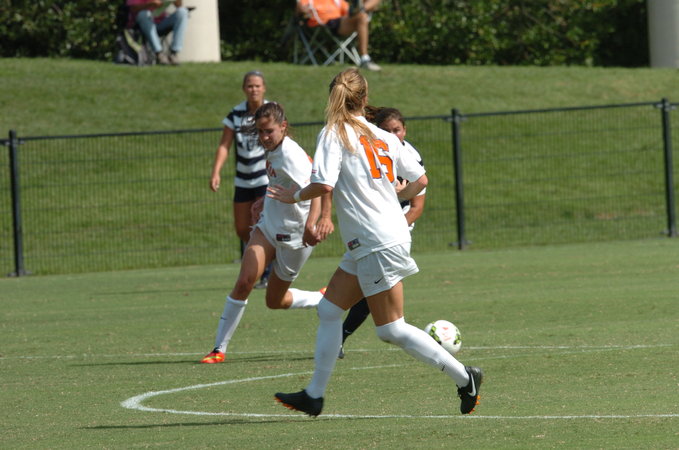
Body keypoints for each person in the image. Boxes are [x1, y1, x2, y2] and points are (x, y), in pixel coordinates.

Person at [267, 68, 483, 416]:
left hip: (374, 239)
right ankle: (314, 395)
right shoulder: (382, 135)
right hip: (373, 238)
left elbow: (323, 184)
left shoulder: (334, 132)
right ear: (364, 98)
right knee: (329, 310)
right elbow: (420, 180)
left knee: (391, 329)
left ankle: (465, 377)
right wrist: (397, 197)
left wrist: (293, 196)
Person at [201, 102, 333, 364]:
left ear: (283, 127)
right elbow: (280, 182)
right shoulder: (273, 149)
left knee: (275, 301)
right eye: (260, 132)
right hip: (269, 226)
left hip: (295, 236)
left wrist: (313, 223)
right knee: (244, 281)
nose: (264, 137)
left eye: (269, 131)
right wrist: (264, 201)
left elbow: (320, 188)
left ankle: (321, 299)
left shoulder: (291, 155)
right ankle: (218, 349)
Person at [338, 106, 426, 359]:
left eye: (397, 130)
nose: (393, 134)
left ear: (405, 130)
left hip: (390, 235)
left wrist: (395, 224)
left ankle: (337, 335)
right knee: (356, 299)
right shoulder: (371, 149)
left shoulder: (410, 156)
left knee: (387, 321)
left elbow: (417, 206)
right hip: (371, 230)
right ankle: (334, 332)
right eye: (387, 130)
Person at [210, 70, 271, 288]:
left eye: (257, 85)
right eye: (250, 86)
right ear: (244, 89)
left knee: (263, 226)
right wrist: (216, 171)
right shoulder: (236, 114)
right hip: (243, 179)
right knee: (242, 228)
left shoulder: (272, 110)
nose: (254, 89)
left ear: (264, 88)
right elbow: (224, 145)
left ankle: (266, 272)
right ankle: (260, 264)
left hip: (265, 179)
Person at [296, 0, 382, 71]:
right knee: (361, 16)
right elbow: (300, 9)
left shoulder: (335, 1)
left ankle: (365, 58)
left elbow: (348, 12)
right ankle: (365, 59)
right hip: (324, 25)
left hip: (339, 22)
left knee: (362, 16)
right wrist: (303, 11)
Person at [126, 0, 188, 65]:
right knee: (143, 14)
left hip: (162, 22)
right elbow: (132, 8)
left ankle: (174, 53)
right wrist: (149, 4)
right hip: (142, 24)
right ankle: (159, 54)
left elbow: (179, 5)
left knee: (183, 12)